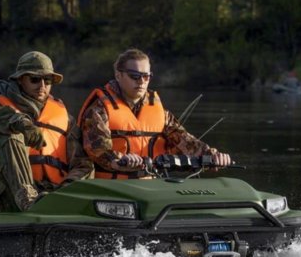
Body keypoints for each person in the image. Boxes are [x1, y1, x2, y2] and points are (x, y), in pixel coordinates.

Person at [77, 47, 232, 178]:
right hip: (112, 188)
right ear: (118, 75)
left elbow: (184, 140)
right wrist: (120, 159)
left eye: (146, 76)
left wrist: (212, 156)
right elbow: (98, 150)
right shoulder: (99, 109)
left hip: (151, 184)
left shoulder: (159, 111)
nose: (141, 81)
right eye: (135, 76)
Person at [0, 51, 93, 212]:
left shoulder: (65, 118)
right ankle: (28, 199)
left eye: (48, 80)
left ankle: (54, 202)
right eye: (35, 80)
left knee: (88, 162)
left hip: (53, 195)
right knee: (11, 136)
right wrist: (19, 122)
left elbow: (82, 164)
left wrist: (63, 193)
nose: (42, 86)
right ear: (21, 79)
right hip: (7, 195)